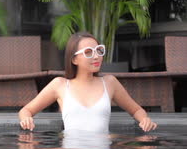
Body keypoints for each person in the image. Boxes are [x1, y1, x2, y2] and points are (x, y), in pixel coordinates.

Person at [19, 32, 157, 133]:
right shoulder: (60, 85)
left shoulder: (109, 83)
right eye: (89, 52)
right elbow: (26, 110)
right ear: (74, 59)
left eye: (99, 50)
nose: (96, 56)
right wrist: (26, 119)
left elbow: (137, 110)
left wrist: (144, 119)